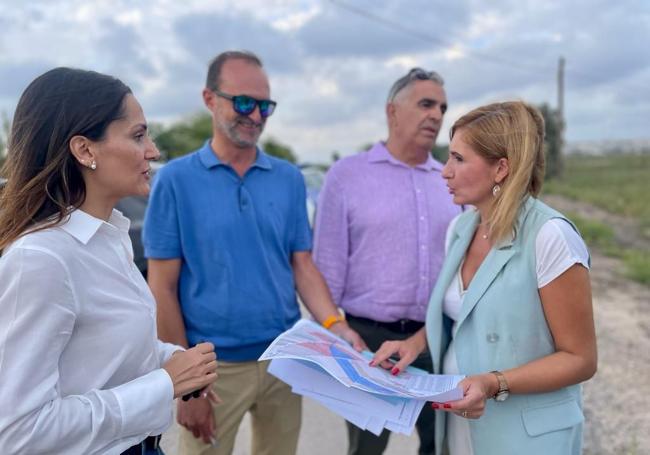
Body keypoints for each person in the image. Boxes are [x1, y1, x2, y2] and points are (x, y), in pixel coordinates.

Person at [143, 50, 365, 455]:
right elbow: (162, 287)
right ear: (210, 99)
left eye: (265, 105)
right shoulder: (175, 181)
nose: (257, 116)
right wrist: (186, 385)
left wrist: (336, 325)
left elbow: (302, 265)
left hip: (284, 358)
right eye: (244, 102)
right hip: (213, 367)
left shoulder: (288, 179)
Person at [0, 68, 218, 455]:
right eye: (138, 135)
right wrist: (164, 383)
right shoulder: (41, 259)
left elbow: (104, 360)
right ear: (84, 150)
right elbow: (18, 432)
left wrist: (175, 360)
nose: (153, 150)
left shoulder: (110, 237)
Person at [371, 101, 597, 455]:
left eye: (459, 159)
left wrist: (494, 383)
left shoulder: (550, 236)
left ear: (501, 169)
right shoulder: (460, 229)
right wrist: (415, 345)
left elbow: (580, 359)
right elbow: (463, 318)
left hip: (526, 436)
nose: (444, 172)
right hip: (462, 425)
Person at [313, 67, 461, 455]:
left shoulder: (452, 179)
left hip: (437, 338)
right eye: (426, 104)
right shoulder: (347, 176)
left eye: (442, 107)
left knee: (441, 444)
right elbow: (324, 269)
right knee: (366, 449)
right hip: (368, 340)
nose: (436, 115)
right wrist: (338, 332)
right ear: (392, 111)